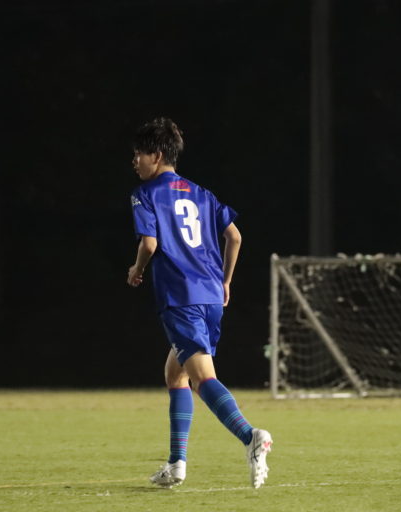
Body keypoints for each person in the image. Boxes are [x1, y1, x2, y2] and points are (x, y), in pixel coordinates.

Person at [127, 118, 273, 489]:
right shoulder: (202, 193)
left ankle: (251, 437)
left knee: (203, 377)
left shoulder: (145, 194)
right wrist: (225, 281)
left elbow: (149, 244)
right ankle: (177, 464)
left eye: (139, 154)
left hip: (180, 296)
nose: (135, 161)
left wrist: (137, 269)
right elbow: (235, 237)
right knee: (176, 374)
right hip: (210, 296)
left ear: (156, 155)